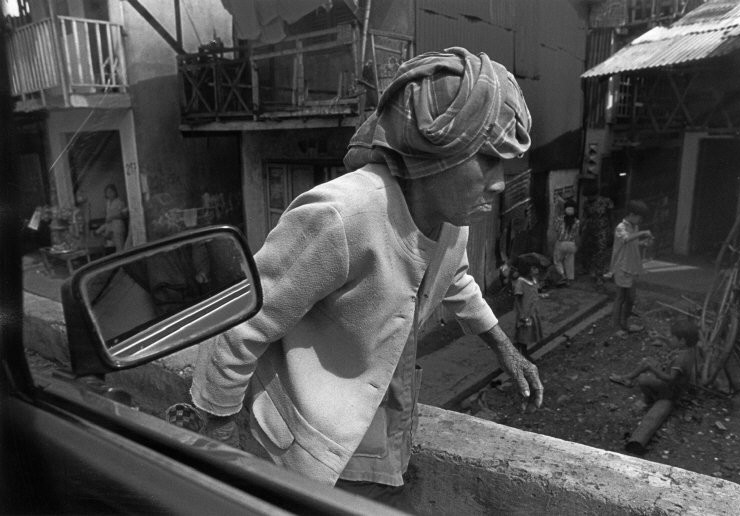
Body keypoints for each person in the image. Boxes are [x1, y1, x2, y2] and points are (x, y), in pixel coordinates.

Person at [188, 47, 542, 510]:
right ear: (435, 155)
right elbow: (240, 323)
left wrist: (503, 346)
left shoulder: (453, 219)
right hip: (294, 445)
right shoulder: (342, 217)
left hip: (378, 424)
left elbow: (453, 277)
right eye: (488, 160)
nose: (499, 182)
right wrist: (219, 442)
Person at [608, 319, 698, 403]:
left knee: (642, 378)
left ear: (682, 341)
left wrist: (653, 370)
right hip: (671, 375)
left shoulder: (681, 359)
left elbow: (670, 378)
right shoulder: (688, 348)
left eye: (672, 337)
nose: (670, 338)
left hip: (672, 389)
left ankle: (652, 399)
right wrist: (661, 337)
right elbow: (673, 345)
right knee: (647, 361)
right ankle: (627, 378)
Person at [610, 200, 652, 336]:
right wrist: (642, 233)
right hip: (622, 267)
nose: (640, 220)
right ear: (632, 214)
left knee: (631, 298)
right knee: (620, 297)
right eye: (639, 217)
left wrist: (642, 243)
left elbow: (632, 243)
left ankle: (625, 323)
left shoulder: (634, 227)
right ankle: (616, 327)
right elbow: (626, 239)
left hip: (632, 266)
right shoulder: (620, 227)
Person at [579, 183, 614, 285]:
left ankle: (599, 275)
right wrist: (581, 227)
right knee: (586, 250)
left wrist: (611, 230)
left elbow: (611, 216)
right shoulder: (586, 203)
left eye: (590, 195)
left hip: (602, 230)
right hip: (590, 230)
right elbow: (585, 216)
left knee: (600, 253)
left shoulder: (606, 202)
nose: (589, 198)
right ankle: (587, 269)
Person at [512, 255, 544, 362]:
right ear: (527, 269)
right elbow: (517, 299)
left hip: (532, 312)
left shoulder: (534, 280)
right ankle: (523, 353)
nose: (537, 270)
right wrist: (521, 314)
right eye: (534, 268)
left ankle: (519, 349)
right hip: (525, 314)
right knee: (523, 334)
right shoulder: (521, 282)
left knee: (527, 333)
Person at [552, 199, 580, 285]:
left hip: (561, 243)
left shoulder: (560, 219)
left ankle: (563, 276)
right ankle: (569, 279)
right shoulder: (577, 221)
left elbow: (556, 229)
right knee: (569, 262)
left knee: (557, 260)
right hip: (572, 244)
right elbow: (577, 234)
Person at [95, 184, 128, 252]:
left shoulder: (120, 202)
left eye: (111, 192)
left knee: (120, 249)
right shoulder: (108, 203)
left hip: (118, 227)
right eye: (107, 192)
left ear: (115, 192)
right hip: (110, 229)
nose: (109, 194)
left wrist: (113, 217)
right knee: (111, 249)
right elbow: (108, 219)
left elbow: (125, 215)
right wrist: (99, 231)